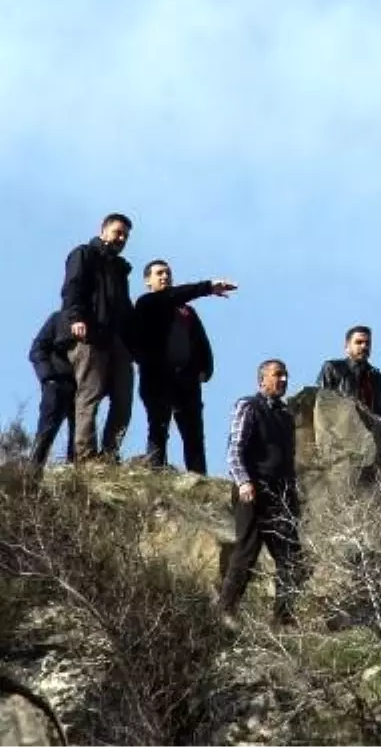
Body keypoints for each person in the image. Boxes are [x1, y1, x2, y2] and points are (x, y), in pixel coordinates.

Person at [218, 359, 304, 627]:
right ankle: (225, 610)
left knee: (291, 556)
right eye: (277, 375)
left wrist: (293, 497)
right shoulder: (249, 406)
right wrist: (243, 481)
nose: (283, 380)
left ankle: (283, 620)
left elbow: (287, 460)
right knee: (247, 551)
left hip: (281, 494)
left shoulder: (286, 416)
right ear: (262, 380)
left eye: (286, 375)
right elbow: (234, 450)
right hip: (253, 490)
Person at [131, 261, 237, 473]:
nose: (165, 277)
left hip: (187, 380)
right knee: (159, 427)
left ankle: (198, 478)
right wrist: (207, 287)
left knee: (194, 434)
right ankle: (156, 472)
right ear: (147, 281)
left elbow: (200, 340)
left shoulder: (187, 311)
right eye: (159, 273)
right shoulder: (147, 302)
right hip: (157, 377)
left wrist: (205, 369)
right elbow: (168, 298)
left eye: (168, 273)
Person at [59, 213, 135, 462]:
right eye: (117, 232)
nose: (121, 238)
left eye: (125, 235)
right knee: (89, 396)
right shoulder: (84, 254)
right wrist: (76, 319)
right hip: (91, 335)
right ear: (103, 231)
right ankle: (87, 458)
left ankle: (110, 455)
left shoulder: (120, 269)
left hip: (118, 339)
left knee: (123, 399)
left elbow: (124, 306)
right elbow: (73, 287)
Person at [28, 311, 76, 468]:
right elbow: (37, 349)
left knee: (80, 434)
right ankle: (31, 477)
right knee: (46, 432)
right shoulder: (60, 318)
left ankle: (75, 474)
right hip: (58, 382)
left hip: (84, 387)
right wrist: (49, 378)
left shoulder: (97, 321)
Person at [316, 326, 381, 425]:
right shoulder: (333, 368)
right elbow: (321, 403)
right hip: (342, 431)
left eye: (367, 343)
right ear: (347, 347)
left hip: (371, 435)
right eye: (359, 342)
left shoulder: (377, 377)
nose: (364, 346)